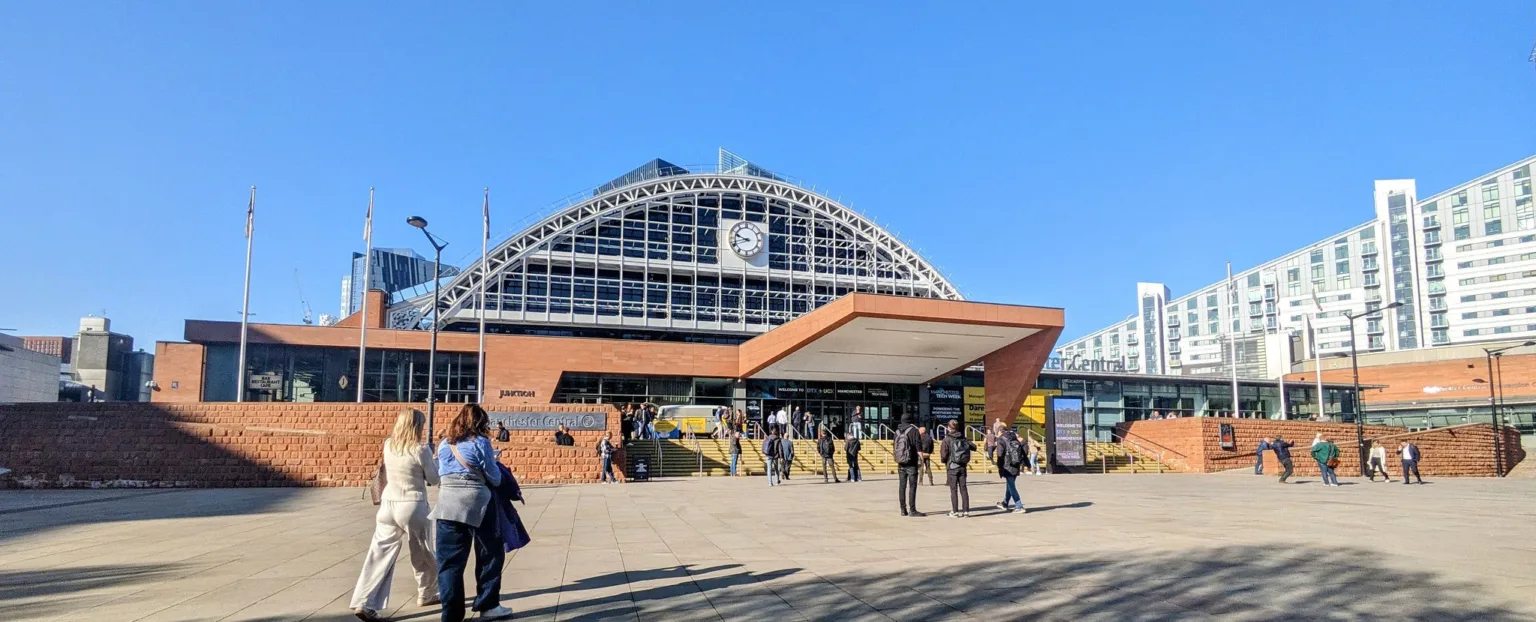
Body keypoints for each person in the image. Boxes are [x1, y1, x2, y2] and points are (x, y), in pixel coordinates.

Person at [351, 409, 441, 622]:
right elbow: (434, 479)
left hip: (388, 504)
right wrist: (435, 459)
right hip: (412, 504)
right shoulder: (420, 450)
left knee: (378, 554)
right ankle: (427, 593)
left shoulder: (388, 445)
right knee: (422, 552)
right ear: (416, 426)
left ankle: (364, 601)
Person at [431, 404, 514, 622]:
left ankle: (451, 615)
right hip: (478, 504)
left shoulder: (444, 445)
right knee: (490, 553)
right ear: (480, 423)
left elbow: (441, 474)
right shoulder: (480, 442)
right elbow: (494, 477)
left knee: (449, 563)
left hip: (447, 506)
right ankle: (488, 605)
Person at [940, 419, 975, 518]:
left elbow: (943, 454)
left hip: (952, 466)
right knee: (963, 489)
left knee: (953, 490)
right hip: (962, 466)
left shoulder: (947, 439)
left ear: (949, 428)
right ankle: (966, 511)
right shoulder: (963, 437)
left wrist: (945, 461)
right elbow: (974, 447)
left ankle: (955, 511)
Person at [894, 414, 922, 517]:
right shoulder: (914, 431)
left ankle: (902, 510)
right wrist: (921, 460)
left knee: (902, 486)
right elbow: (918, 446)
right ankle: (912, 510)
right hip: (911, 462)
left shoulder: (896, 432)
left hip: (901, 462)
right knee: (912, 486)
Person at [992, 428, 1025, 513]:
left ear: (1000, 432)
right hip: (1016, 464)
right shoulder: (1014, 438)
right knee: (1010, 485)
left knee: (1011, 486)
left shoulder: (1001, 440)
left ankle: (1019, 505)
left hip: (1007, 466)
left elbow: (1000, 454)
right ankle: (1005, 503)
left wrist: (999, 466)